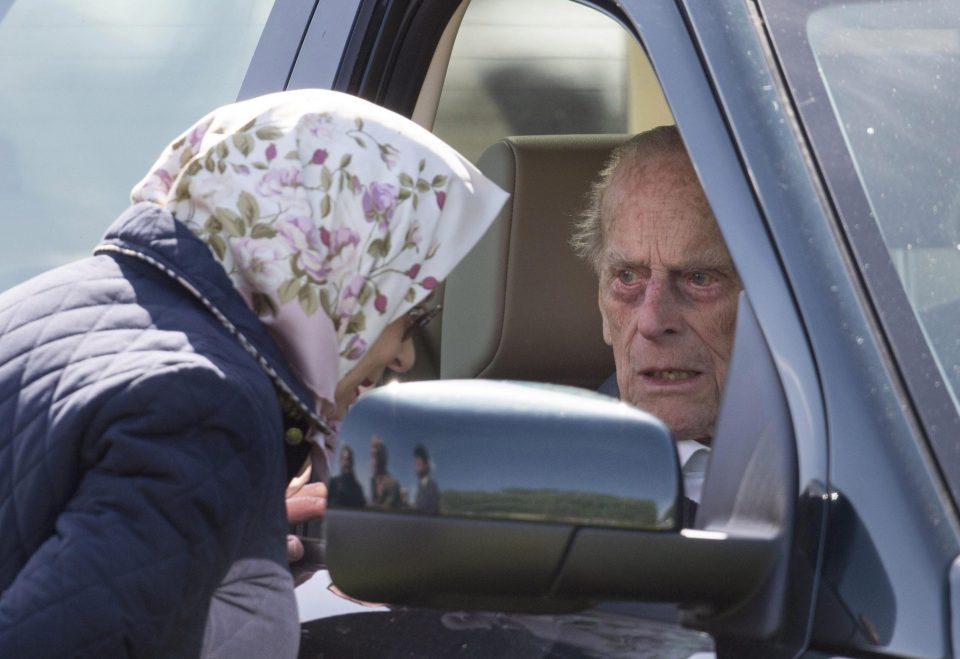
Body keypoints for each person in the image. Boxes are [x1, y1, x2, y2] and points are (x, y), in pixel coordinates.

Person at [0, 89, 506, 657]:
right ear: (333, 264)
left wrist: (216, 531)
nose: (404, 358)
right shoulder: (204, 407)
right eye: (409, 313)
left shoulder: (40, 306)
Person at [571, 125, 741, 505]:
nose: (651, 322)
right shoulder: (558, 488)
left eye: (699, 279)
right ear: (600, 303)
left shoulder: (862, 447)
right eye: (627, 277)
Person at [369, 435, 403, 509]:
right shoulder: (373, 481)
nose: (374, 461)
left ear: (384, 459)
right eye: (372, 456)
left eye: (378, 456)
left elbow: (383, 513)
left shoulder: (392, 484)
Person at [412, 444, 440, 513]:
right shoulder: (419, 485)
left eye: (419, 464)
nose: (416, 468)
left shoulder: (432, 486)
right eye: (416, 464)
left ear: (426, 466)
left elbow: (432, 510)